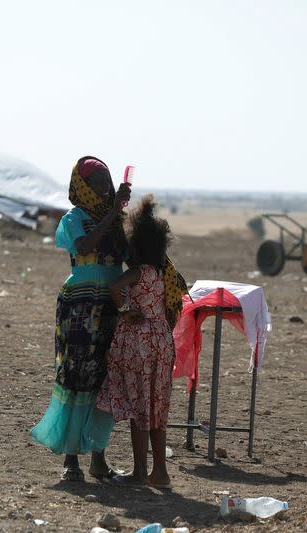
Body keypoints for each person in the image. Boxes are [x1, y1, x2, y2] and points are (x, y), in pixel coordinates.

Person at [30, 156, 131, 482]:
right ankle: (71, 459)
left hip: (111, 306)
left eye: (107, 181)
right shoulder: (73, 219)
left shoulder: (116, 220)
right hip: (80, 307)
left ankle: (98, 459)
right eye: (98, 183)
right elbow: (85, 245)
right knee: (76, 377)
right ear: (82, 186)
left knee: (105, 380)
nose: (104, 188)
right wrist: (114, 213)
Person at [95, 194, 182, 489]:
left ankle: (140, 472)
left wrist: (124, 311)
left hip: (139, 343)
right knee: (157, 408)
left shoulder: (138, 272)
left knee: (139, 409)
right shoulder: (160, 272)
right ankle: (161, 472)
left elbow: (114, 286)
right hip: (161, 341)